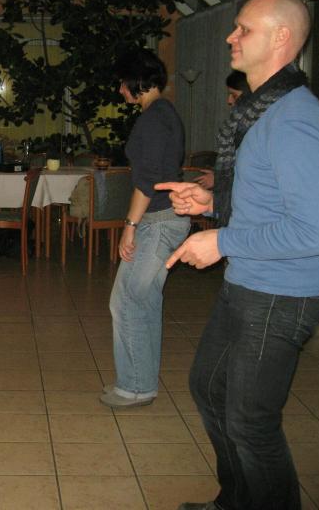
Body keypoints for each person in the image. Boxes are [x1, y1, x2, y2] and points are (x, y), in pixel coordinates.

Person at [157, 0, 319, 510]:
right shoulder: (263, 111)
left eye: (244, 29)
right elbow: (269, 202)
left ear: (281, 37)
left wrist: (221, 240)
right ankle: (236, 500)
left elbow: (311, 232)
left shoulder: (294, 119)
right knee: (209, 388)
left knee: (251, 422)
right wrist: (212, 203)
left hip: (281, 294)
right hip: (249, 283)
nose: (230, 37)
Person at [99, 48, 191, 409]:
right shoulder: (164, 113)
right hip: (165, 219)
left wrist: (130, 226)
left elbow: (147, 180)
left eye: (123, 83)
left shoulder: (153, 118)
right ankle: (141, 383)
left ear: (137, 80)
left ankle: (134, 387)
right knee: (145, 301)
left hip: (157, 221)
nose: (120, 90)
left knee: (126, 301)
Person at [194, 70, 250, 189]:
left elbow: (249, 170)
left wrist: (219, 178)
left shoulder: (253, 127)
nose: (229, 101)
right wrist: (218, 174)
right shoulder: (239, 122)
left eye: (234, 95)